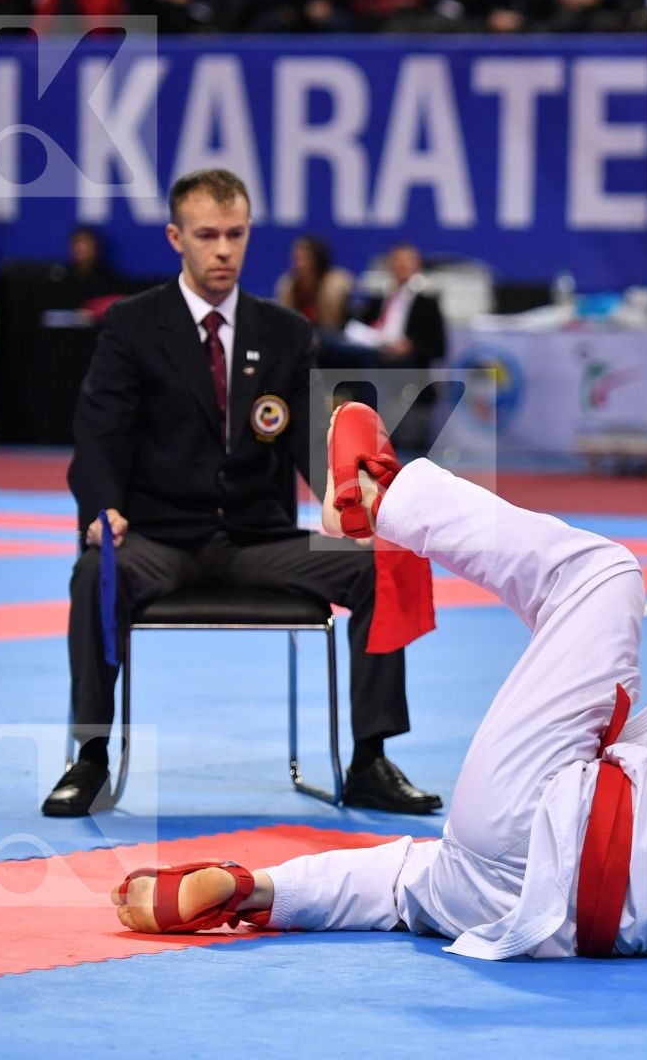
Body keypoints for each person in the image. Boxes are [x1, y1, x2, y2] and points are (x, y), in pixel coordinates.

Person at [110, 406, 647, 957]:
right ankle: (257, 892)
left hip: (550, 814)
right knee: (407, 880)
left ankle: (386, 496)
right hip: (531, 919)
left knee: (602, 578)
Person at [46, 169, 440, 818]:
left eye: (234, 234)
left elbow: (314, 439)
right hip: (158, 540)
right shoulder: (133, 326)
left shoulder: (283, 333)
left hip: (259, 540)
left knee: (379, 564)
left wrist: (359, 498)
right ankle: (89, 757)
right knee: (96, 572)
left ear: (249, 233)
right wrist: (101, 510)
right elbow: (98, 437)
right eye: (206, 235)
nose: (222, 250)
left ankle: (369, 759)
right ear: (177, 237)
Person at [341, 243, 445, 369]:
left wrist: (409, 347)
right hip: (375, 351)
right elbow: (359, 323)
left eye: (408, 259)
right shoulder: (380, 299)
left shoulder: (426, 303)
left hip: (406, 361)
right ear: (389, 265)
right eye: (397, 259)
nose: (402, 264)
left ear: (418, 265)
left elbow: (438, 347)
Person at [274, 234, 354, 333]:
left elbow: (331, 325)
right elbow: (285, 321)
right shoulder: (289, 285)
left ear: (316, 259)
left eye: (304, 258)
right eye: (296, 258)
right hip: (300, 336)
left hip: (329, 336)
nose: (299, 263)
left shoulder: (333, 283)